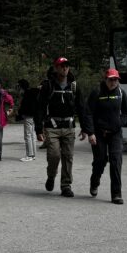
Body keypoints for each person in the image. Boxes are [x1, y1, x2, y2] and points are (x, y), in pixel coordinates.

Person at [81, 68, 127, 205]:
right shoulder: (97, 92)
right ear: (105, 79)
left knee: (116, 161)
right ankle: (94, 182)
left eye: (116, 80)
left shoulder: (121, 93)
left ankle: (116, 194)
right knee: (100, 160)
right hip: (99, 133)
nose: (113, 82)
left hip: (115, 133)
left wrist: (119, 123)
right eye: (111, 79)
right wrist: (90, 133)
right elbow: (88, 113)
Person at [36, 57, 82, 197]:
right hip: (52, 127)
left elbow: (82, 108)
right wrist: (38, 129)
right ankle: (51, 176)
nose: (65, 68)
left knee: (68, 156)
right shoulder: (48, 86)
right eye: (61, 66)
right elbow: (40, 108)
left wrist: (87, 129)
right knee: (54, 155)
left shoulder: (74, 86)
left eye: (67, 66)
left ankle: (66, 185)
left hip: (68, 126)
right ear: (56, 68)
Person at [17, 79, 40, 161]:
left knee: (27, 136)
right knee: (33, 136)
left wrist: (20, 113)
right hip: (35, 117)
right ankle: (33, 154)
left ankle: (29, 155)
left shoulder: (27, 94)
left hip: (28, 116)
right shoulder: (34, 92)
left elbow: (24, 107)